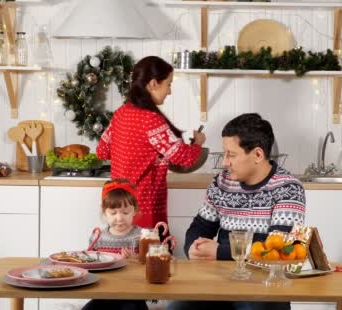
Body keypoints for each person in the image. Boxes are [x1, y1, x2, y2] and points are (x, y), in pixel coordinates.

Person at [168, 113, 306, 310]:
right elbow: (198, 228)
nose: (225, 162)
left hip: (265, 285)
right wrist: (193, 248)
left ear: (257, 155)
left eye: (231, 155)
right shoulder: (222, 182)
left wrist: (217, 251)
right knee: (176, 308)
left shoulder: (288, 188)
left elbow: (278, 250)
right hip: (220, 280)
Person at [96, 56, 206, 229]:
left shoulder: (121, 113)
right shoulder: (151, 120)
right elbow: (184, 158)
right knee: (151, 253)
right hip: (144, 207)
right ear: (154, 83)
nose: (169, 91)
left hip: (119, 206)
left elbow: (102, 151)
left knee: (122, 253)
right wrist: (198, 144)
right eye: (168, 84)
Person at [82, 179, 147, 310]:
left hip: (133, 296)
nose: (119, 218)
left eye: (125, 212)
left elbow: (152, 267)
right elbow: (89, 267)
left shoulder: (143, 236)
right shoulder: (98, 236)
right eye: (113, 213)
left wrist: (137, 260)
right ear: (105, 213)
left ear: (135, 210)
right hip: (103, 294)